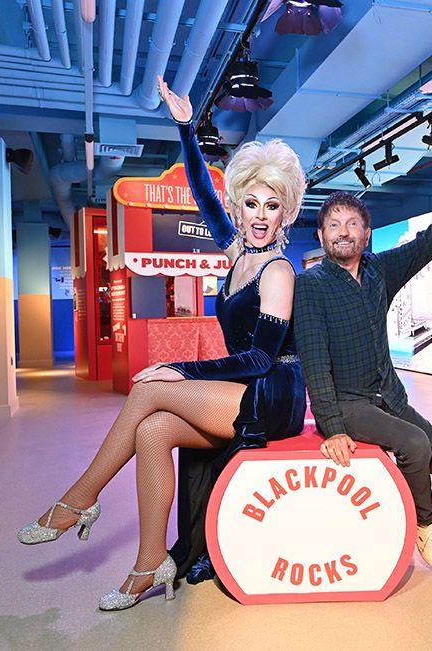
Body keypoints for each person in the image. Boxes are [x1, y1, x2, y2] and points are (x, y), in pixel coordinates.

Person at [17, 76, 306, 611]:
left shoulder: (277, 271)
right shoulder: (235, 250)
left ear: (284, 213)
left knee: (150, 388)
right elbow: (200, 189)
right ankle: (150, 564)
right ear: (239, 208)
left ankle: (79, 500)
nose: (260, 216)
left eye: (272, 206)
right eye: (251, 204)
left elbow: (263, 357)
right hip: (238, 388)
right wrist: (185, 127)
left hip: (271, 394)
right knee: (151, 432)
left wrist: (181, 370)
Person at [293, 150, 432, 592]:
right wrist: (333, 427)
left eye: (353, 224)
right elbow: (314, 360)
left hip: (389, 398)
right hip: (348, 403)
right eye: (334, 225)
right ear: (321, 235)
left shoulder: (381, 270)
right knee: (415, 445)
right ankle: (424, 524)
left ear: (367, 233)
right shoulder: (311, 286)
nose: (344, 232)